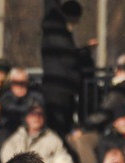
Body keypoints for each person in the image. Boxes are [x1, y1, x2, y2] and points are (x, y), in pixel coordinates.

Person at [40, 0, 94, 135]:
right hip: (60, 88)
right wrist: (86, 51)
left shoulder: (54, 29)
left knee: (60, 126)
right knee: (59, 127)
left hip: (60, 87)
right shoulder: (57, 30)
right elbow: (69, 58)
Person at [0, 102, 72, 163]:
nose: (37, 117)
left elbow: (64, 161)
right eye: (33, 114)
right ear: (26, 118)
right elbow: (6, 159)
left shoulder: (53, 139)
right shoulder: (16, 137)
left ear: (44, 118)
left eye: (40, 114)